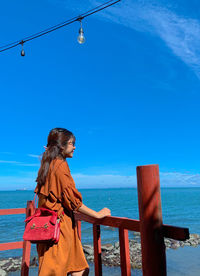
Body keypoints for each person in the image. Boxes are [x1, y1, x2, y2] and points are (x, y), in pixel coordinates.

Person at [34, 128, 111, 276]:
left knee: (78, 268)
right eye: (72, 143)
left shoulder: (47, 164)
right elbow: (72, 200)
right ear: (61, 146)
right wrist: (97, 214)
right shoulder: (60, 165)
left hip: (48, 227)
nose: (74, 147)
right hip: (59, 229)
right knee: (63, 271)